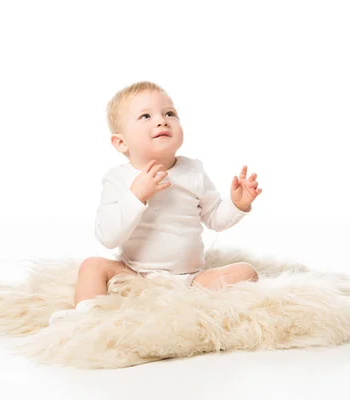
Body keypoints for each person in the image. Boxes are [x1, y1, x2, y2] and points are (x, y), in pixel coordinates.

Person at [49, 81, 263, 324]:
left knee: (246, 272)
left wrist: (237, 204)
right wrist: (137, 195)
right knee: (92, 266)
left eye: (169, 113)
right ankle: (86, 318)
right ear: (122, 143)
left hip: (190, 279)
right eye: (145, 116)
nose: (161, 121)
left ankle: (195, 315)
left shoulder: (193, 171)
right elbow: (107, 237)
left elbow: (214, 218)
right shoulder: (118, 179)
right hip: (135, 275)